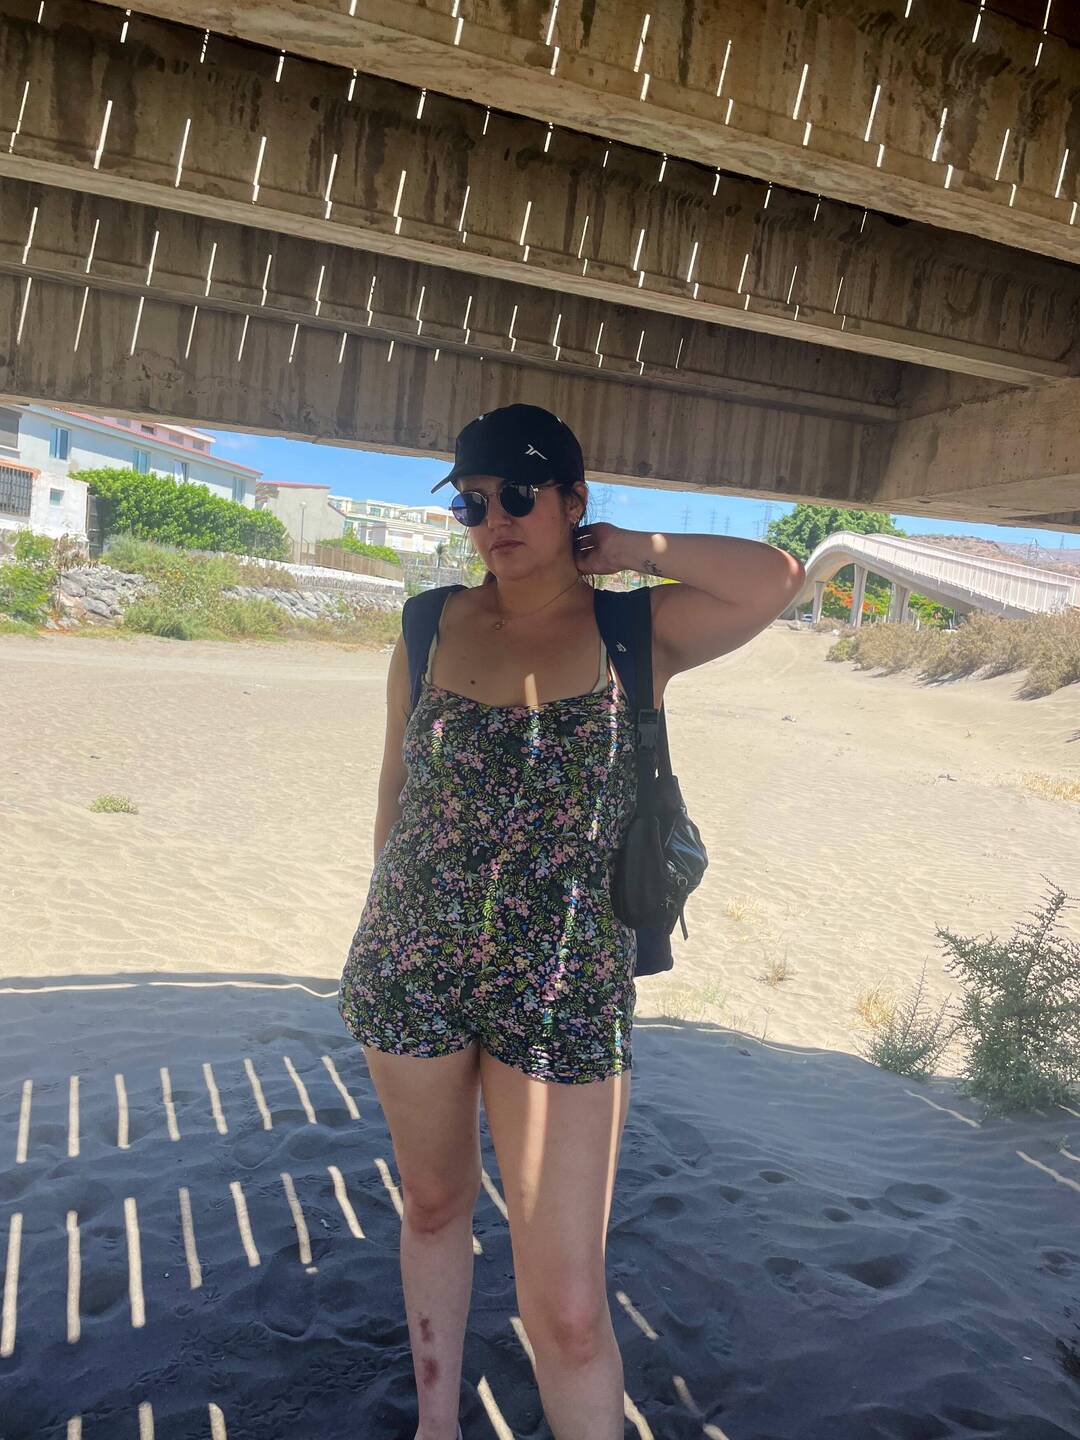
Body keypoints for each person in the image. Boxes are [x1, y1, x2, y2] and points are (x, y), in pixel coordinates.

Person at [338, 404, 804, 1440]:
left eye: (518, 493)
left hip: (564, 985)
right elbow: (395, 792)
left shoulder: (633, 629)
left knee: (572, 1311)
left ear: (572, 499)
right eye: (472, 502)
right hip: (411, 961)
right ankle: (436, 1424)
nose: (494, 518)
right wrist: (384, 921)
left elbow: (775, 578)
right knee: (433, 1206)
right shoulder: (427, 623)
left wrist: (633, 549)